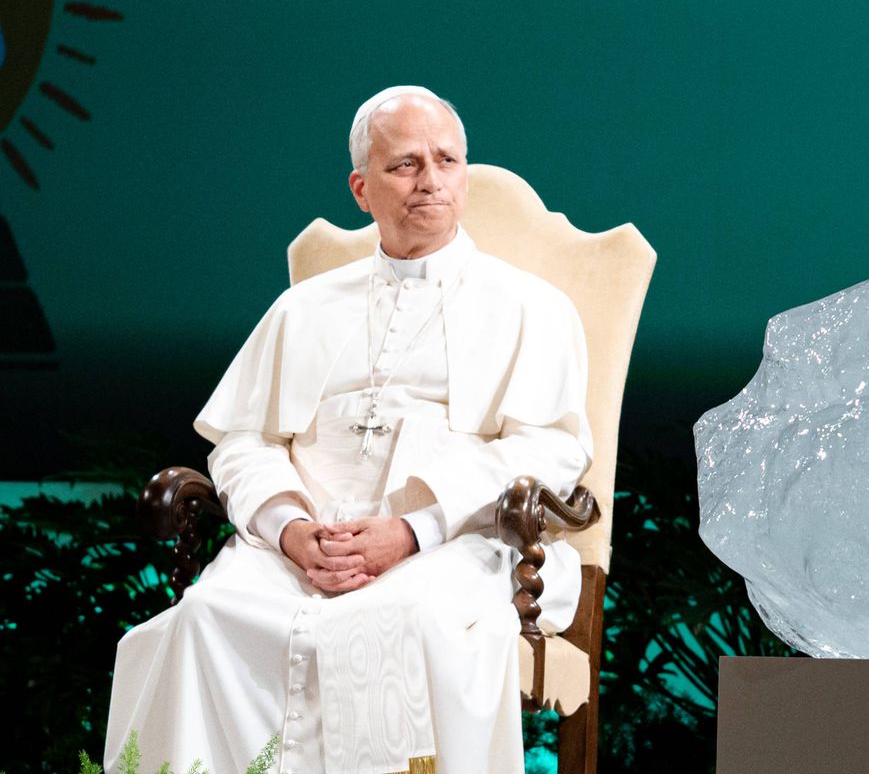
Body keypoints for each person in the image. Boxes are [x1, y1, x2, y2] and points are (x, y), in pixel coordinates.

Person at [105, 86, 593, 773]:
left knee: (401, 624)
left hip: (455, 543)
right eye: (405, 164)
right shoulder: (302, 309)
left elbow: (552, 448)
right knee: (204, 618)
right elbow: (244, 440)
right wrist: (290, 529)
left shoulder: (531, 308)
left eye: (447, 161)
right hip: (300, 551)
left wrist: (411, 530)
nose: (430, 180)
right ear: (362, 189)